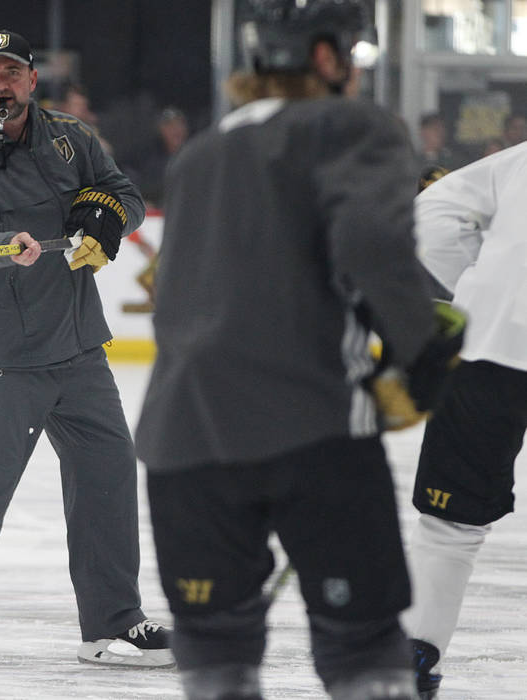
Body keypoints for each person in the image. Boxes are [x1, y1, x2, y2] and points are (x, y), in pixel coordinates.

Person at [135, 2, 465, 698]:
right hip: (312, 431)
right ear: (323, 58)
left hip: (180, 444)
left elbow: (176, 294)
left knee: (218, 658)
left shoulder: (201, 152)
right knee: (363, 649)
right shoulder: (352, 125)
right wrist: (423, 349)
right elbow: (371, 246)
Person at [0, 29, 172, 672]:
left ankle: (111, 624)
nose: (2, 82)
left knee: (108, 474)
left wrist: (104, 225)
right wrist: (6, 243)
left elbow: (126, 197)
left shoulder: (71, 137)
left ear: (31, 79)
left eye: (12, 71)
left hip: (80, 347)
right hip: (8, 351)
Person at [402, 132, 527, 699]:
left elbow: (433, 216)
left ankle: (417, 651)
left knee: (451, 523)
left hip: (491, 343)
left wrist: (471, 289)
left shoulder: (515, 163)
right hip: (490, 340)